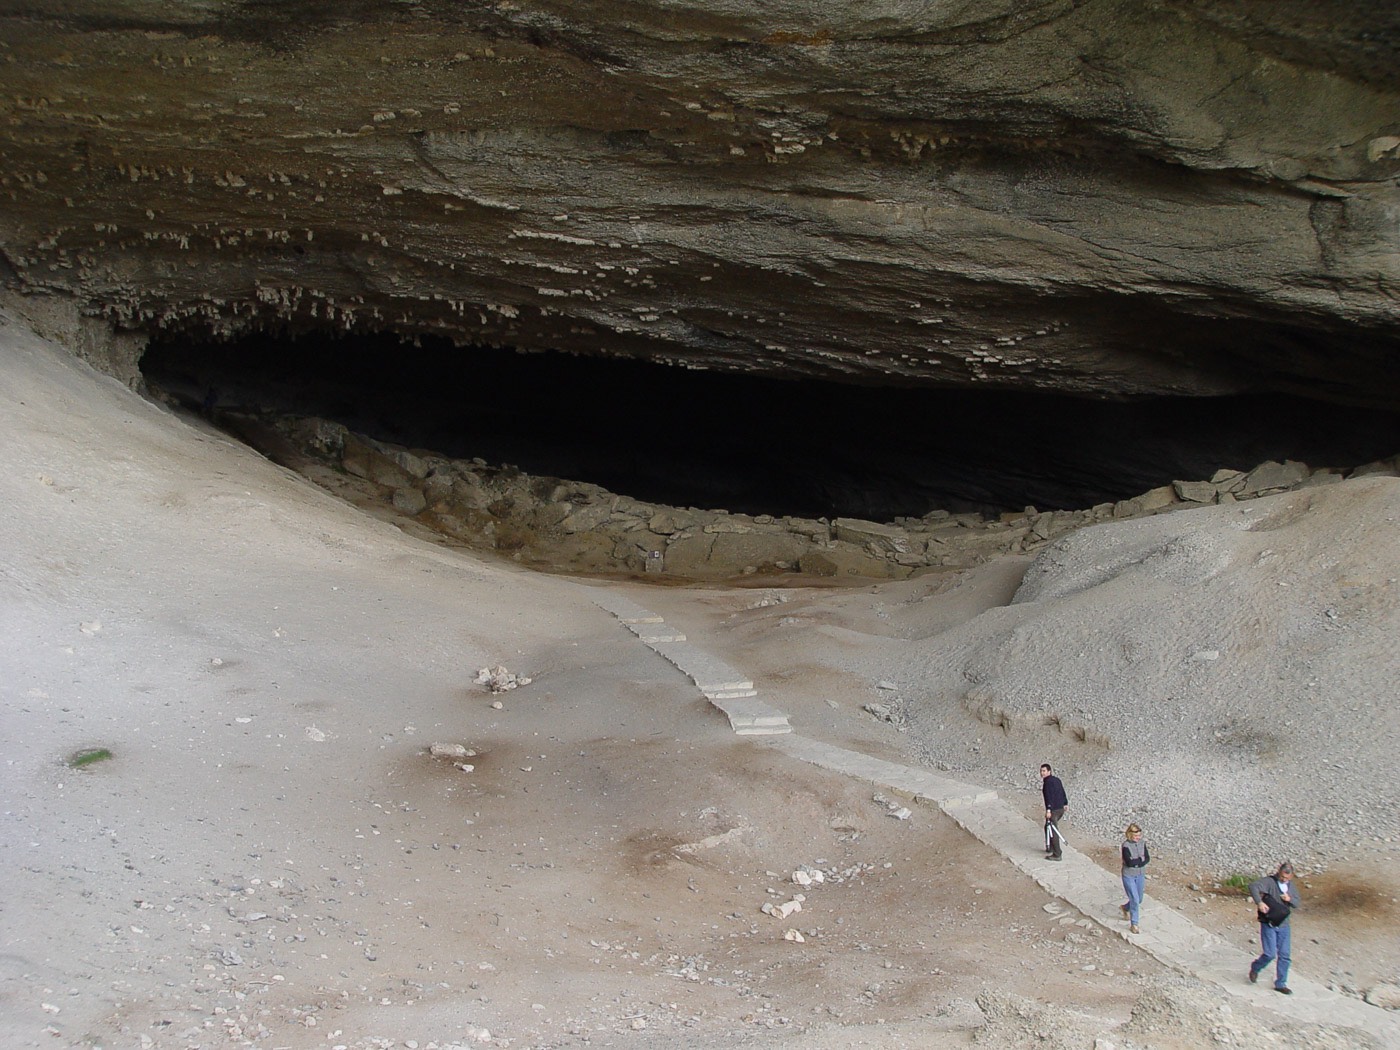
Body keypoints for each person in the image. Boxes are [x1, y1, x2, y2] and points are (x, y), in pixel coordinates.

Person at [1248, 861, 1299, 994]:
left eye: (1287, 878)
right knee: (1270, 954)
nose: (1283, 879)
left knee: (1285, 955)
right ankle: (1255, 967)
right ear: (1278, 872)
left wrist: (1290, 900)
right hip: (1269, 923)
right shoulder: (1269, 882)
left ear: (1291, 877)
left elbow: (1297, 902)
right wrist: (1259, 903)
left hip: (1284, 925)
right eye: (1282, 877)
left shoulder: (1291, 887)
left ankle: (1281, 983)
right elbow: (1253, 886)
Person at [1118, 823, 1149, 933]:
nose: (1138, 838)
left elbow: (1147, 858)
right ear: (1130, 835)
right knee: (1134, 899)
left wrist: (1138, 862)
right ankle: (1134, 923)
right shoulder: (1126, 846)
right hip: (1129, 875)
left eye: (1139, 836)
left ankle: (1125, 907)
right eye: (1136, 836)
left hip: (1140, 874)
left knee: (1139, 899)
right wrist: (1139, 861)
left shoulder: (1142, 843)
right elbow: (1129, 862)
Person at [1040, 763, 1067, 860]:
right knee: (1047, 827)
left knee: (1052, 829)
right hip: (1060, 809)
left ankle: (1057, 853)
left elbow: (1049, 798)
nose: (1042, 773)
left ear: (1049, 771)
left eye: (1044, 771)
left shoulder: (1047, 783)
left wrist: (1048, 810)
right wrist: (1065, 803)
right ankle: (1050, 846)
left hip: (1054, 810)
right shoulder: (1057, 780)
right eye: (1041, 771)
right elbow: (1062, 792)